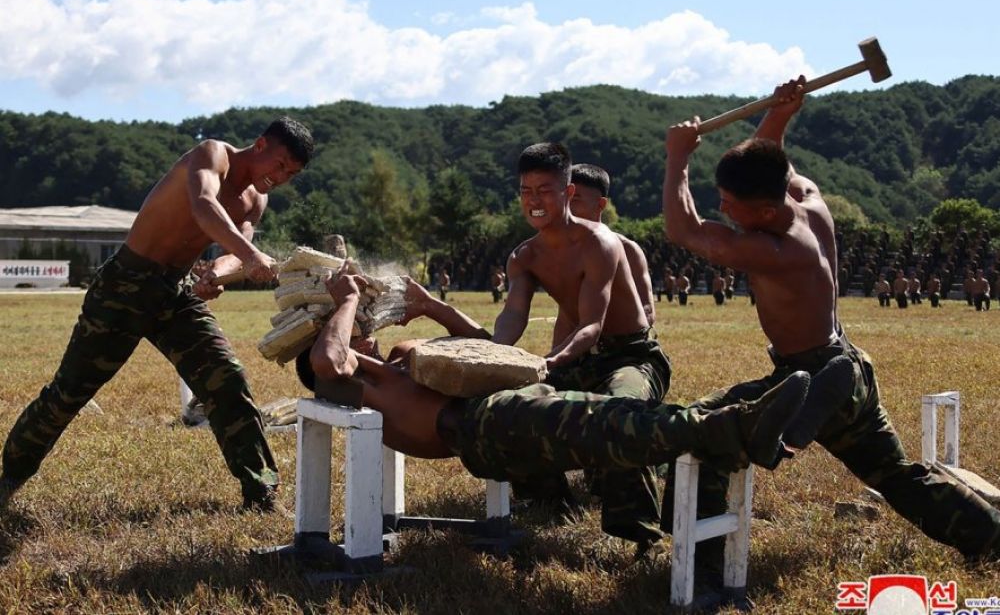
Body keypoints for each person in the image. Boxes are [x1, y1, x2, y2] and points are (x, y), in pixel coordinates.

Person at [661, 76, 1000, 568]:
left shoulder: (771, 250)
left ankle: (701, 560)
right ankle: (990, 536)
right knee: (895, 474)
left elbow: (683, 228)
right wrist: (779, 115)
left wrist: (677, 158)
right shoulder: (810, 205)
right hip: (846, 364)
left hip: (807, 373)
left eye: (729, 203)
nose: (722, 208)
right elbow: (772, 157)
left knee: (708, 428)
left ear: (763, 210)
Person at [0, 117, 315, 513]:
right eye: (281, 164)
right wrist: (251, 257)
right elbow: (204, 206)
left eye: (292, 173)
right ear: (261, 144)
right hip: (124, 284)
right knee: (69, 392)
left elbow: (236, 251)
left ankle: (261, 493)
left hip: (175, 292)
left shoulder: (256, 200)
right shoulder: (212, 154)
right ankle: (11, 475)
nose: (281, 177)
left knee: (226, 379)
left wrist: (216, 275)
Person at [294, 272, 808, 496]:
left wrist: (432, 306)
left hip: (505, 407)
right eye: (356, 331)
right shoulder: (345, 379)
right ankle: (736, 427)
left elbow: (481, 348)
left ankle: (741, 408)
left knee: (611, 415)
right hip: (479, 427)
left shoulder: (401, 359)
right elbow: (328, 359)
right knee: (604, 423)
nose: (365, 333)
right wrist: (343, 303)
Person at [493, 143, 670, 551]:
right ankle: (548, 502)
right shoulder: (524, 256)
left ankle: (641, 531)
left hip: (630, 356)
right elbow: (513, 316)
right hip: (577, 357)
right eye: (525, 191)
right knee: (513, 406)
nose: (534, 201)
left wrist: (550, 361)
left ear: (568, 192)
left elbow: (592, 324)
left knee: (621, 409)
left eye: (544, 190)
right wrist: (495, 356)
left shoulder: (600, 243)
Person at [568, 162, 656, 326]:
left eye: (576, 200)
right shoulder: (562, 251)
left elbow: (647, 311)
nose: (567, 207)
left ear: (601, 205)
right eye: (565, 199)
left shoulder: (628, 250)